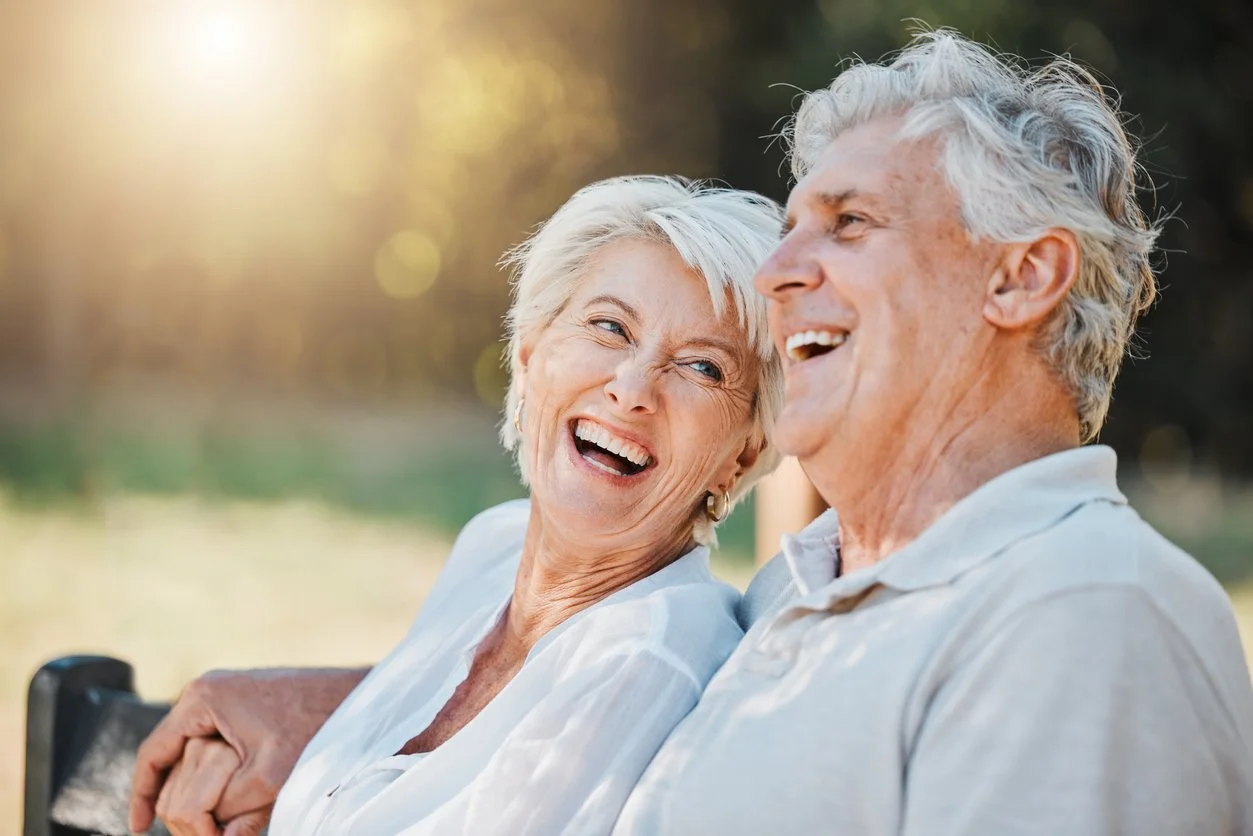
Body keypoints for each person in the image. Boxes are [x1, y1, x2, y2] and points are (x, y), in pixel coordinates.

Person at [134, 29, 1253, 835]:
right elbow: (585, 681)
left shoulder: (1082, 612)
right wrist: (328, 709)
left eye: (847, 222)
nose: (775, 271)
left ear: (1019, 277)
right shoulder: (796, 598)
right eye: (791, 225)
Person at [128, 175, 786, 836]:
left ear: (741, 454)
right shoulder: (493, 548)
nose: (632, 388)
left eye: (702, 368)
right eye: (609, 327)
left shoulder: (644, 657)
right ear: (530, 357)